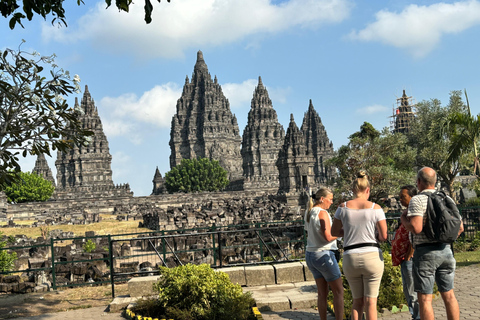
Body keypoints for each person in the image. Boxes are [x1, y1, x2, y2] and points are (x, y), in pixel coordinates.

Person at [400, 167, 464, 320]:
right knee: (449, 295)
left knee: (425, 299)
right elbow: (460, 227)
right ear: (435, 182)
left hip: (425, 254)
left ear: (419, 182)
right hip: (446, 251)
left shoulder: (417, 199)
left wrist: (404, 220)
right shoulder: (446, 198)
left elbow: (416, 228)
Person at [331, 171, 387, 320]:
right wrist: (372, 234)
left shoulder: (342, 207)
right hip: (372, 256)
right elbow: (383, 236)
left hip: (351, 257)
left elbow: (334, 231)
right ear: (367, 190)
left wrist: (350, 231)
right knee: (370, 302)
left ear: (353, 189)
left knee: (357, 302)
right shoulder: (376, 208)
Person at [304, 187, 344, 320]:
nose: (331, 202)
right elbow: (328, 236)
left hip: (311, 254)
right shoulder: (323, 213)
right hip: (323, 254)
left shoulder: (309, 211)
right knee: (339, 291)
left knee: (322, 293)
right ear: (322, 199)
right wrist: (342, 233)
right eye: (330, 199)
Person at [391, 185, 419, 320]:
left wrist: (409, 253)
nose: (400, 199)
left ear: (412, 197)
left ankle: (417, 316)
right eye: (400, 197)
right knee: (408, 290)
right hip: (404, 258)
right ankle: (416, 315)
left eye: (403, 196)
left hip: (410, 258)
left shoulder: (414, 212)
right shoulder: (407, 212)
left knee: (412, 290)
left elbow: (415, 232)